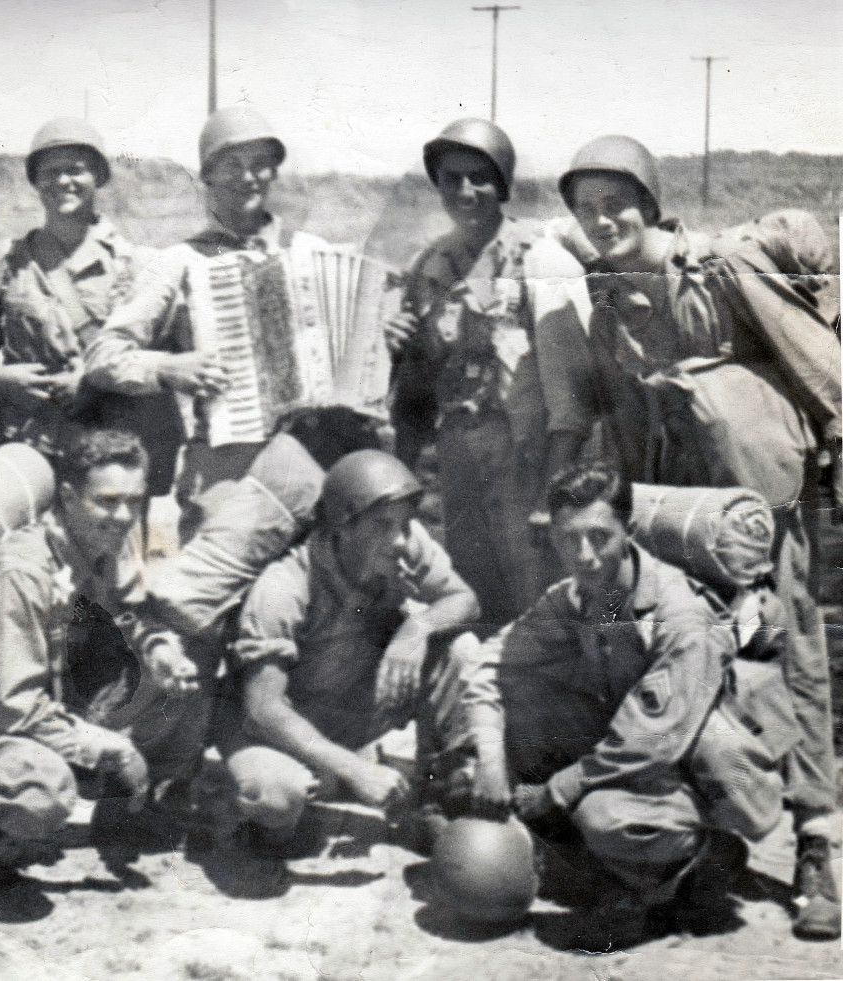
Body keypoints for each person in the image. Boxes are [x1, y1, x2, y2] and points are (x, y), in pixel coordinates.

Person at [544, 137, 840, 940]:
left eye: (617, 204)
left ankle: (817, 842)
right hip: (673, 506)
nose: (602, 221)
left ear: (650, 199)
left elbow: (812, 347)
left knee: (794, 651)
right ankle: (705, 835)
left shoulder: (718, 268)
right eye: (586, 209)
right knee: (688, 653)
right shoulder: (606, 297)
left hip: (759, 502)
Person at [463, 463, 810, 940]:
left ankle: (703, 861)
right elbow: (492, 663)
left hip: (706, 765)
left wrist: (558, 790)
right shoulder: (593, 596)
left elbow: (651, 736)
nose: (583, 555)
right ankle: (639, 860)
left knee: (601, 817)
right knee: (525, 702)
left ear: (627, 531)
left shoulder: (679, 616)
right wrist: (488, 759)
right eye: (569, 539)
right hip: (643, 748)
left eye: (599, 536)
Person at [0, 429, 208, 886]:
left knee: (183, 687)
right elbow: (11, 704)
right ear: (67, 496)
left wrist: (158, 650)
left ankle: (120, 814)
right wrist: (106, 747)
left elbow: (119, 617)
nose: (123, 515)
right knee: (37, 792)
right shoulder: (23, 573)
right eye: (107, 501)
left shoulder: (95, 544)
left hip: (57, 693)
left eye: (133, 500)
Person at [85, 105, 355, 544]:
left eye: (260, 165)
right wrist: (166, 369)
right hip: (226, 466)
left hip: (310, 458)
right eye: (232, 165)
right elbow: (103, 355)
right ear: (207, 177)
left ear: (274, 173)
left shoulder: (313, 252)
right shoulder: (177, 262)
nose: (248, 177)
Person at [218, 450, 481, 852]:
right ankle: (265, 823)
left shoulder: (404, 544)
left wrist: (416, 629)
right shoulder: (284, 587)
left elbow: (464, 599)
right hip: (278, 730)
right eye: (382, 525)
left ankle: (436, 796)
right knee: (278, 797)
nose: (400, 539)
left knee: (459, 650)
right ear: (344, 525)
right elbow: (263, 709)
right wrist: (354, 768)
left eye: (406, 523)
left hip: (350, 707)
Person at [384, 119, 584, 627]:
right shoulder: (428, 265)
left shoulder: (541, 259)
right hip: (459, 458)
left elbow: (574, 397)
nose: (465, 191)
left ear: (503, 185)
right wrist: (396, 344)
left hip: (525, 454)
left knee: (538, 591)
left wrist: (554, 486)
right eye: (451, 179)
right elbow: (414, 393)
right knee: (473, 590)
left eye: (480, 178)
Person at [0, 118, 181, 494]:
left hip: (114, 455)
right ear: (36, 183)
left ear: (98, 177)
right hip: (34, 444)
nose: (63, 182)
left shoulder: (135, 263)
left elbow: (159, 359)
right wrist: (0, 380)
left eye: (76, 170)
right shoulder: (10, 261)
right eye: (51, 172)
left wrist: (94, 380)